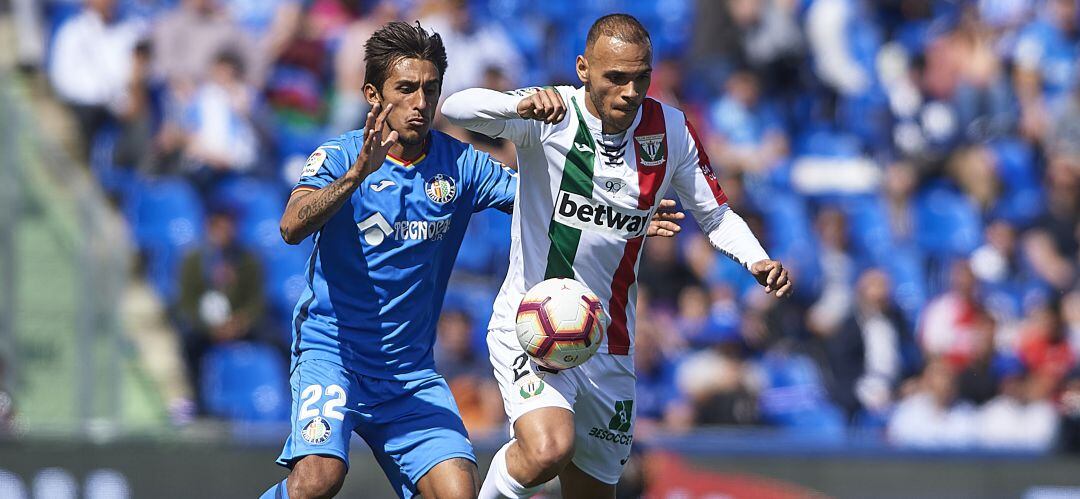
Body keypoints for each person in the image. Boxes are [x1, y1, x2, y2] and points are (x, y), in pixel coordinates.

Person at [262, 21, 681, 499]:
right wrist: (358, 174)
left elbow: (545, 202)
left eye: (431, 89)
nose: (420, 103)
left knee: (458, 493)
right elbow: (291, 226)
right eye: (405, 89)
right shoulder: (339, 156)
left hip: (407, 372)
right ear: (373, 95)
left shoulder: (461, 165)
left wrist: (619, 215)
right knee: (318, 479)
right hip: (332, 354)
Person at [443, 13, 792, 498]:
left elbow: (715, 215)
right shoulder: (551, 116)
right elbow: (457, 106)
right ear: (583, 68)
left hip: (610, 342)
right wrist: (520, 102)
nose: (630, 91)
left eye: (641, 77)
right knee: (547, 449)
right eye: (616, 78)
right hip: (534, 325)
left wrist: (756, 259)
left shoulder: (669, 129)